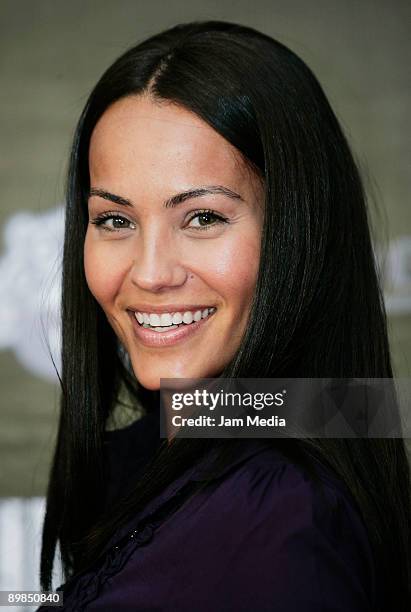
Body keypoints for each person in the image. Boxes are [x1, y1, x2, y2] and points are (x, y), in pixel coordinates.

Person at [37, 20, 411, 611]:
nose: (151, 273)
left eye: (203, 218)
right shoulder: (177, 440)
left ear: (299, 232)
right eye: (115, 220)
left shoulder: (281, 520)